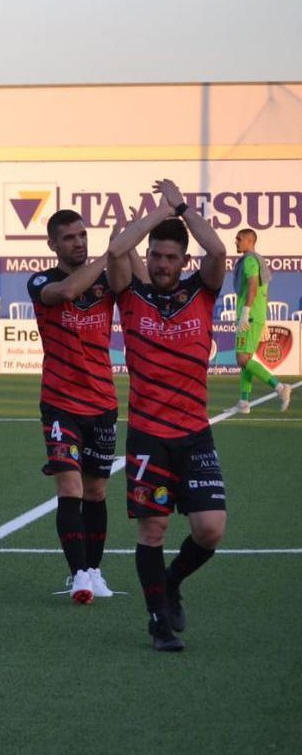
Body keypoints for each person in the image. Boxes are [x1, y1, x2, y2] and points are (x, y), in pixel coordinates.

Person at [106, 180, 230, 652]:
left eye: (170, 257)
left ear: (183, 261)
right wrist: (158, 214)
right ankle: (158, 620)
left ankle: (172, 581)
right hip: (148, 437)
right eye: (156, 255)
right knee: (152, 530)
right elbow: (116, 250)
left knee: (210, 529)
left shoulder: (202, 292)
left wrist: (180, 208)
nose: (161, 264)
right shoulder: (130, 295)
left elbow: (218, 251)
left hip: (195, 434)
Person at [28, 209, 117, 602]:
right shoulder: (41, 281)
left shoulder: (108, 281)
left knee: (96, 491)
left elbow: (139, 282)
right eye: (68, 237)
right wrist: (110, 254)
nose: (78, 242)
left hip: (102, 400)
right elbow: (64, 293)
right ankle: (79, 575)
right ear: (53, 244)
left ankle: (94, 571)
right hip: (60, 402)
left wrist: (126, 245)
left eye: (82, 235)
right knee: (70, 486)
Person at [232, 229, 293, 412]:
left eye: (239, 239)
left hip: (249, 316)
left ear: (250, 241)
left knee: (242, 359)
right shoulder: (260, 260)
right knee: (247, 358)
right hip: (256, 315)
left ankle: (280, 387)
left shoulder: (250, 260)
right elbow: (265, 291)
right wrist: (263, 318)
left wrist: (246, 311)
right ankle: (244, 402)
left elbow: (253, 285)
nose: (236, 242)